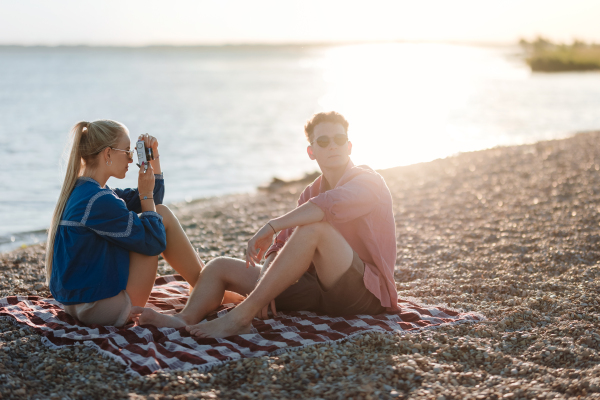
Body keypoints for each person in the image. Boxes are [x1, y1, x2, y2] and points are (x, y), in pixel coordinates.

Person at [132, 111, 399, 338]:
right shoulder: (310, 191)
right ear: (311, 151)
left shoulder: (367, 181)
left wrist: (271, 226)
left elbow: (327, 206)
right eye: (324, 141)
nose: (333, 146)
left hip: (362, 295)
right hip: (316, 292)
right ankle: (186, 319)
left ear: (349, 146)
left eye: (340, 139)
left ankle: (241, 317)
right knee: (219, 266)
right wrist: (265, 284)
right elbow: (281, 245)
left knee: (315, 228)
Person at [46, 120, 210, 327]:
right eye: (127, 152)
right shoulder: (100, 200)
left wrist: (154, 159)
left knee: (158, 213)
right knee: (160, 219)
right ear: (107, 154)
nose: (132, 160)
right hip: (101, 308)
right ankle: (207, 286)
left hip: (78, 303)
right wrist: (146, 194)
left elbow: (151, 201)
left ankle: (204, 284)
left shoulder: (87, 192)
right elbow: (154, 241)